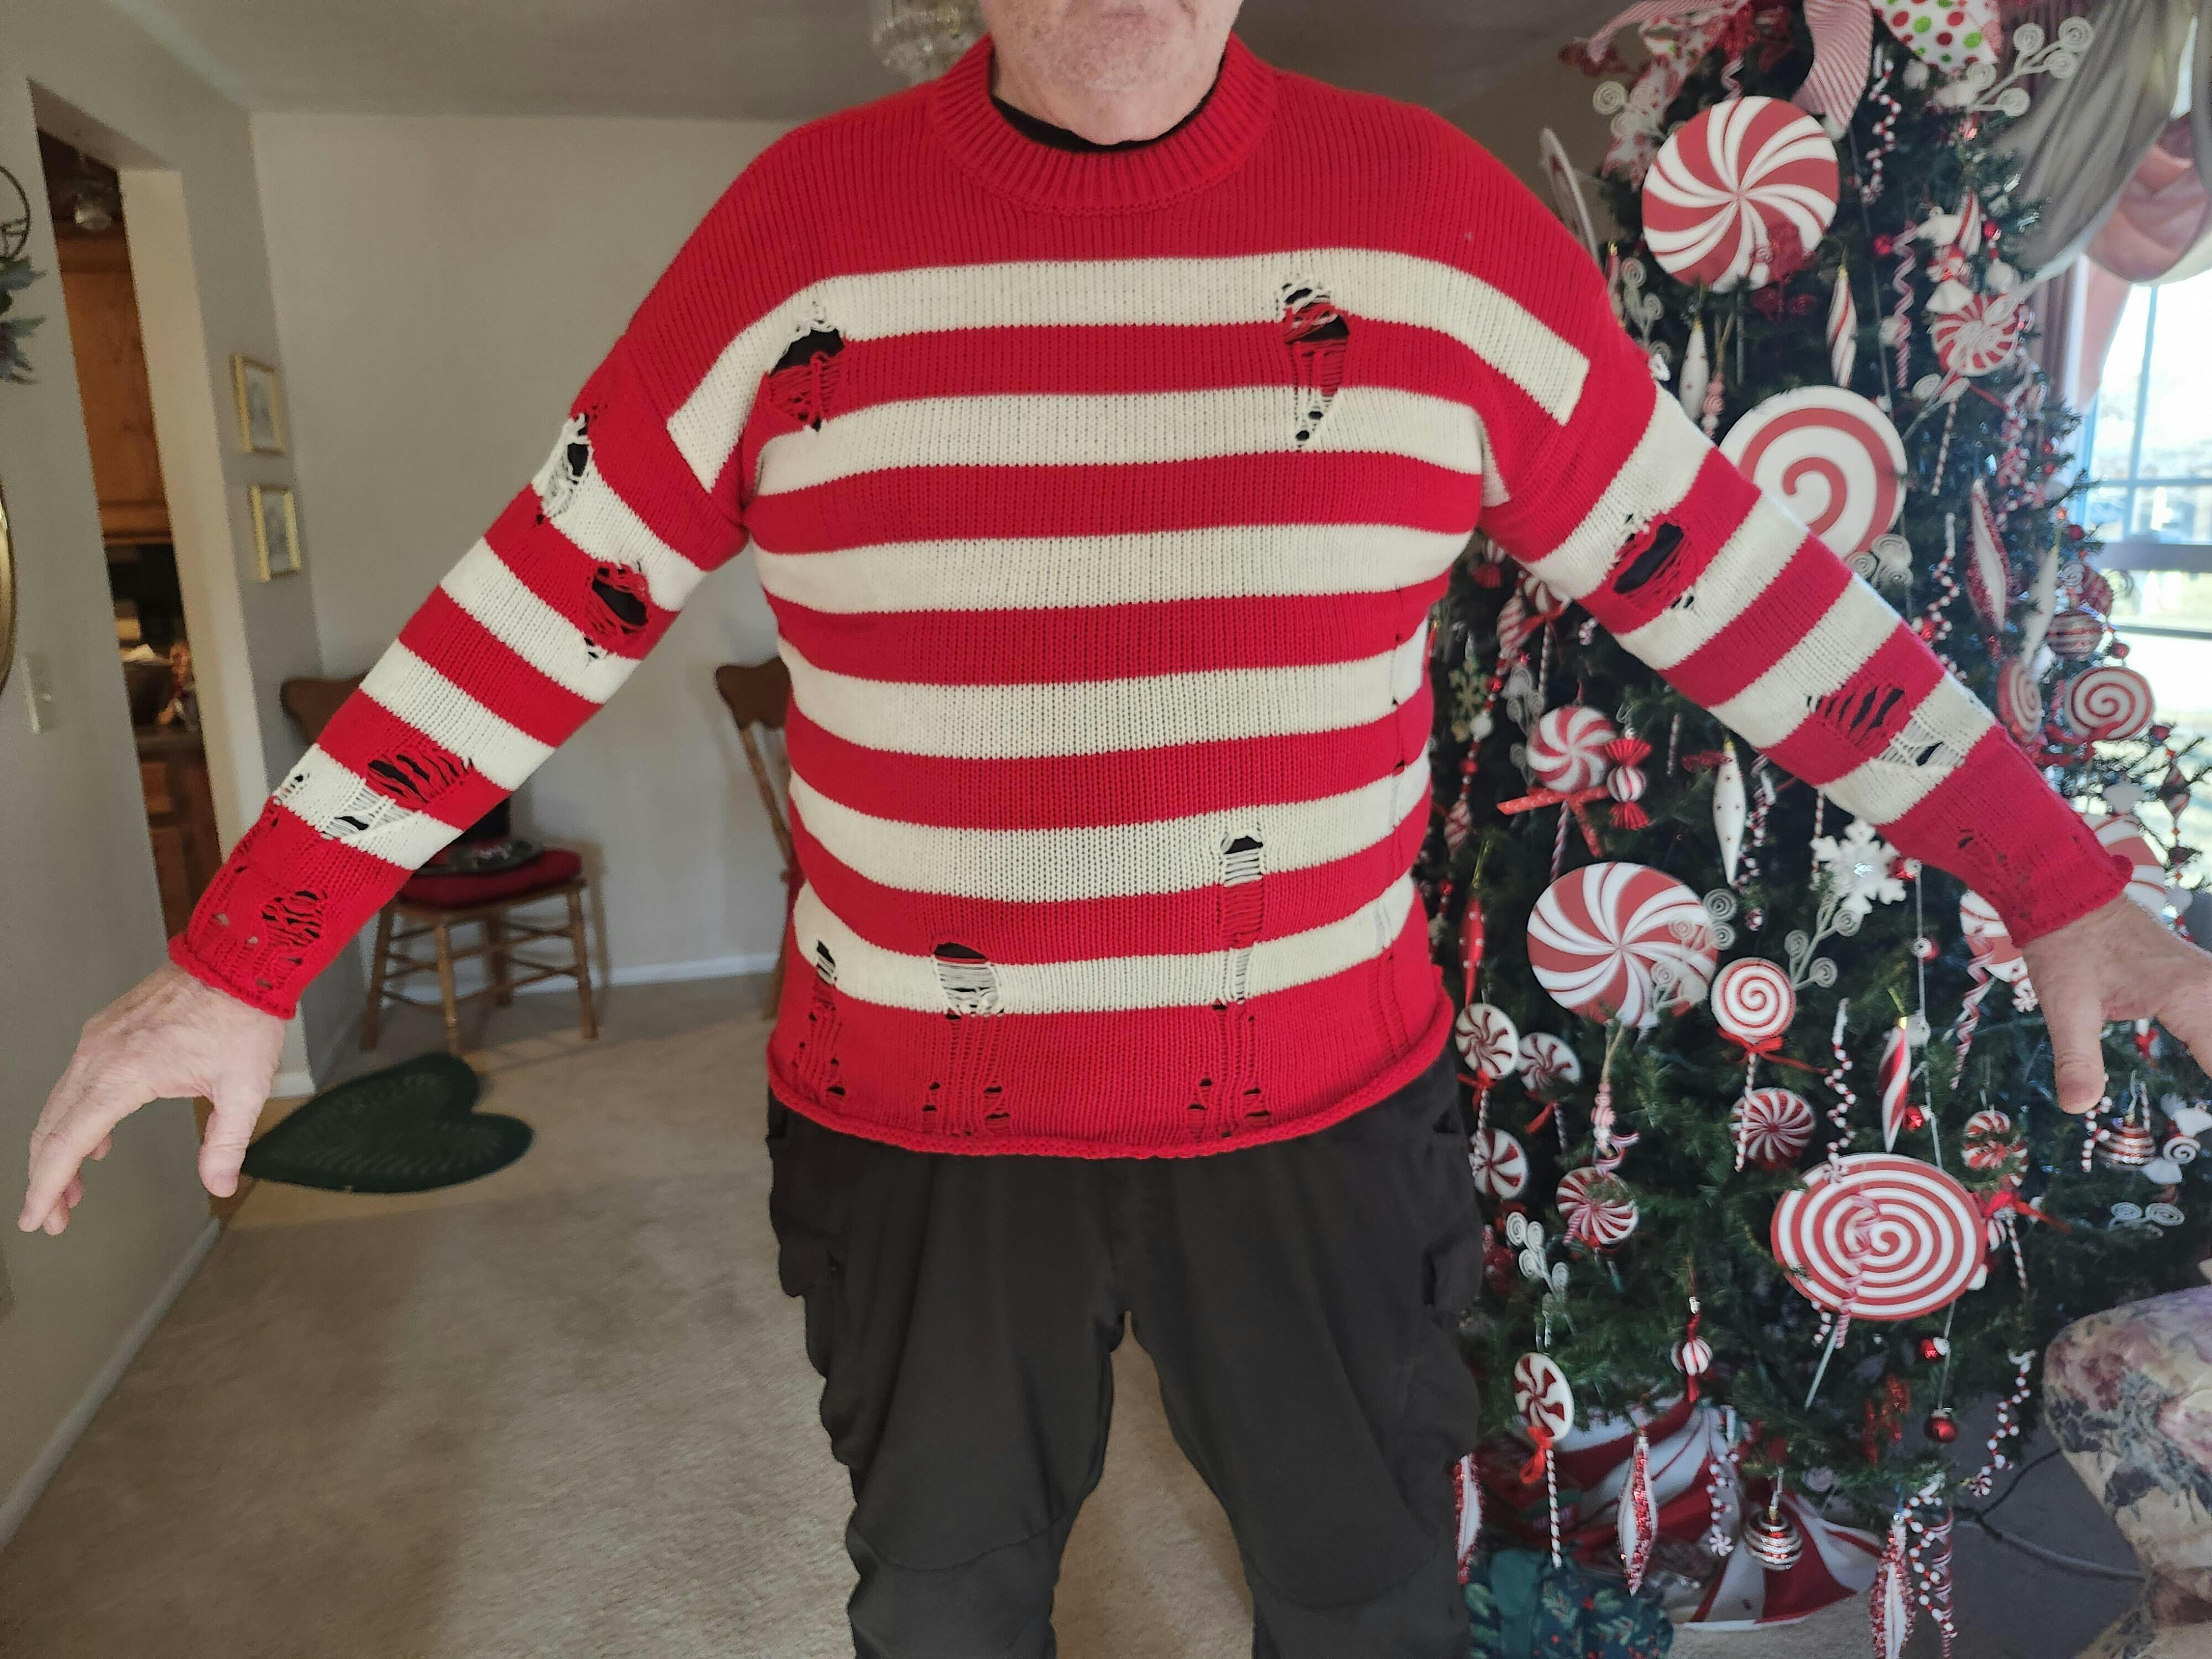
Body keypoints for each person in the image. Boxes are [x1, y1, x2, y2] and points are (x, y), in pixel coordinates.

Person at [23, 1, 2212, 1653]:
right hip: (912, 1131)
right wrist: (246, 950)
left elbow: (1738, 588)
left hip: (1316, 1125)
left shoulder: (1434, 225)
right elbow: (542, 597)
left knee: (1364, 1597)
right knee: (945, 1596)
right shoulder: (797, 234)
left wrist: (2055, 879)